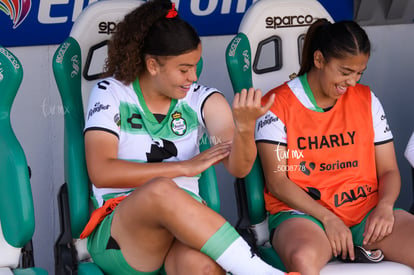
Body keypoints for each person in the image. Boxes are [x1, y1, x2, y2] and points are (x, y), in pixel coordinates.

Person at [81, 1, 299, 275]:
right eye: (183, 69)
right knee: (161, 189)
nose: (192, 77)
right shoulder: (110, 92)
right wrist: (184, 168)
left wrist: (244, 130)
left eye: (195, 66)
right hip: (125, 236)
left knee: (202, 268)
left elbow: (239, 167)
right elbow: (101, 171)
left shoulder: (203, 98)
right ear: (152, 65)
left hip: (182, 232)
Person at [255, 18, 414, 275]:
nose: (352, 82)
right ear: (319, 60)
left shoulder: (366, 98)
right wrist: (328, 218)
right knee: (303, 259)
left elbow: (388, 171)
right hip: (305, 214)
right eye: (345, 72)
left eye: (359, 73)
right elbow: (278, 182)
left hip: (366, 211)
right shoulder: (276, 104)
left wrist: (385, 207)